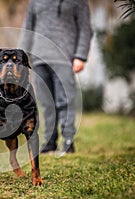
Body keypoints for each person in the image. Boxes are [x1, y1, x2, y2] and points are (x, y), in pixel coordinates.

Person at [19, 0, 93, 154]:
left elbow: (85, 29)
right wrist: (20, 57)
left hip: (65, 57)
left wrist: (80, 56)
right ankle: (50, 141)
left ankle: (67, 141)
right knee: (46, 103)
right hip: (38, 58)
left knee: (65, 100)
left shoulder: (79, 2)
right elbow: (28, 27)